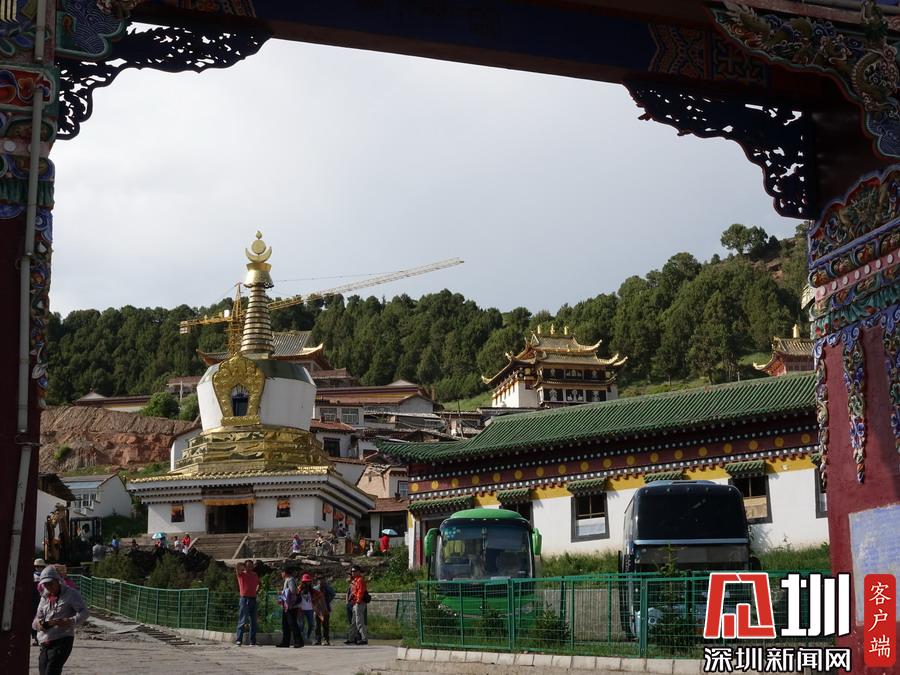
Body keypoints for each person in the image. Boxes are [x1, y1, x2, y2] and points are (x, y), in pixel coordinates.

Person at [33, 565, 89, 675]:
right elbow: (37, 618)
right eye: (45, 584)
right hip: (45, 640)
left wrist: (70, 621)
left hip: (63, 639)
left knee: (52, 671)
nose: (48, 587)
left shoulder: (71, 594)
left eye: (50, 583)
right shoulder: (44, 597)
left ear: (58, 581)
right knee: (43, 671)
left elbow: (85, 612)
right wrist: (38, 624)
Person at [235, 560, 260, 646]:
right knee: (243, 620)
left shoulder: (255, 575)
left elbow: (259, 583)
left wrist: (256, 590)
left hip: (253, 598)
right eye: (248, 566)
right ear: (245, 566)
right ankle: (239, 640)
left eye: (251, 566)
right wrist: (242, 565)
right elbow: (237, 567)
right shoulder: (241, 574)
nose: (250, 567)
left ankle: (252, 640)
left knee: (254, 621)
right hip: (244, 599)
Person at [276, 568, 303, 648]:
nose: (281, 574)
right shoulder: (287, 580)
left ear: (285, 573)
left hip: (292, 606)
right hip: (287, 606)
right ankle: (285, 642)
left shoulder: (290, 580)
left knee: (292, 623)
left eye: (282, 572)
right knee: (285, 624)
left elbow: (293, 591)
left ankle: (299, 641)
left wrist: (282, 592)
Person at [345, 565, 369, 645]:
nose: (352, 573)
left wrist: (358, 601)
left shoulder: (360, 580)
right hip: (355, 603)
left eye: (354, 571)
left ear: (358, 571)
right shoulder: (355, 580)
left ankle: (364, 639)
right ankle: (351, 638)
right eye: (352, 571)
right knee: (353, 622)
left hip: (359, 603)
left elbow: (360, 592)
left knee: (359, 621)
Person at [313, 574, 335, 646]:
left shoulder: (328, 588)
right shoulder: (315, 588)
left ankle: (326, 639)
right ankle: (318, 639)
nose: (320, 581)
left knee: (325, 625)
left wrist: (327, 601)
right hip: (317, 609)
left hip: (325, 608)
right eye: (319, 579)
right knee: (317, 625)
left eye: (322, 579)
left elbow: (333, 594)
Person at [296, 573, 315, 642]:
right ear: (303, 582)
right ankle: (300, 638)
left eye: (308, 581)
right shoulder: (299, 589)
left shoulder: (311, 590)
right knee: (301, 624)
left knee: (311, 624)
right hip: (301, 609)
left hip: (310, 609)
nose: (307, 583)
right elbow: (296, 597)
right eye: (305, 582)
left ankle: (307, 637)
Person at [32, 558, 46, 646]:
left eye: (40, 566)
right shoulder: (32, 576)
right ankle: (35, 637)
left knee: (43, 619)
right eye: (37, 566)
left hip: (44, 599)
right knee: (33, 619)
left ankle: (42, 638)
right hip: (34, 599)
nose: (38, 568)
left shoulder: (46, 575)